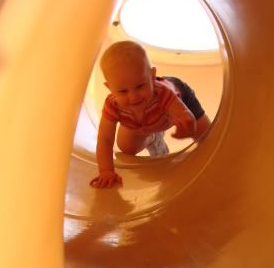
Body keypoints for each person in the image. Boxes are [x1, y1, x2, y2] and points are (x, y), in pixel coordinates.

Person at [90, 41, 211, 188]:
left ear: (152, 76)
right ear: (110, 87)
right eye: (123, 91)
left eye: (140, 86)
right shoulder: (113, 105)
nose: (134, 97)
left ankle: (207, 150)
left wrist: (186, 123)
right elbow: (105, 139)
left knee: (208, 137)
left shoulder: (163, 93)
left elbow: (183, 114)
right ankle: (153, 138)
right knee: (126, 148)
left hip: (178, 102)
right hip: (142, 123)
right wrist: (106, 171)